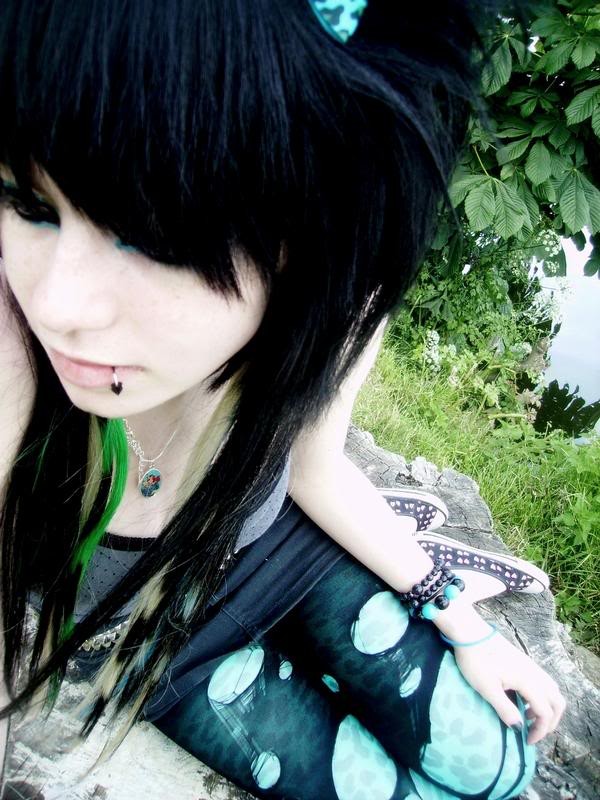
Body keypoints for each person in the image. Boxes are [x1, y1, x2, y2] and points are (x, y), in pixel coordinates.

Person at [0, 1, 566, 798]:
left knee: (501, 766)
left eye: (150, 234)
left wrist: (463, 625)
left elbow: (316, 467)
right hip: (160, 640)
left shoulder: (333, 307)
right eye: (29, 204)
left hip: (282, 548)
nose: (59, 305)